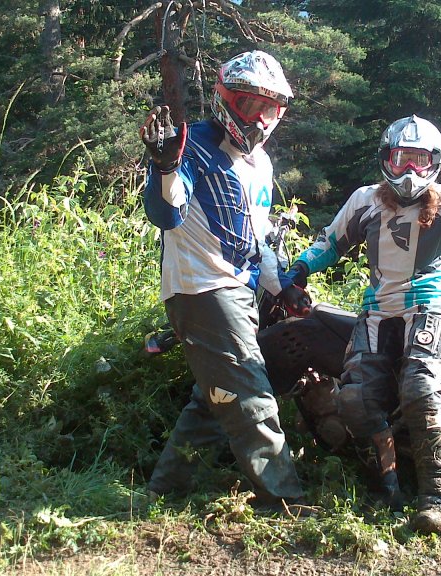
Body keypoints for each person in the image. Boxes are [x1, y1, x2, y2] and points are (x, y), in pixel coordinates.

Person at [279, 115, 441, 533]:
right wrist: (298, 273)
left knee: (421, 390)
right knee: (355, 401)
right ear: (387, 158)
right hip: (377, 311)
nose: (409, 171)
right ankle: (386, 482)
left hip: (428, 307)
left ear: (434, 162)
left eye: (419, 161)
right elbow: (330, 241)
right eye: (402, 159)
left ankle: (434, 500)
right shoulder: (365, 200)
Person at [139, 50, 308, 511]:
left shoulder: (261, 165)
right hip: (202, 287)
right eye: (250, 105)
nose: (260, 118)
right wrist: (166, 166)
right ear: (226, 100)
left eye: (270, 108)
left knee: (213, 399)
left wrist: (283, 287)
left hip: (237, 289)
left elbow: (258, 239)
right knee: (251, 391)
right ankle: (283, 499)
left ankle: (163, 489)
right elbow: (166, 212)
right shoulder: (189, 145)